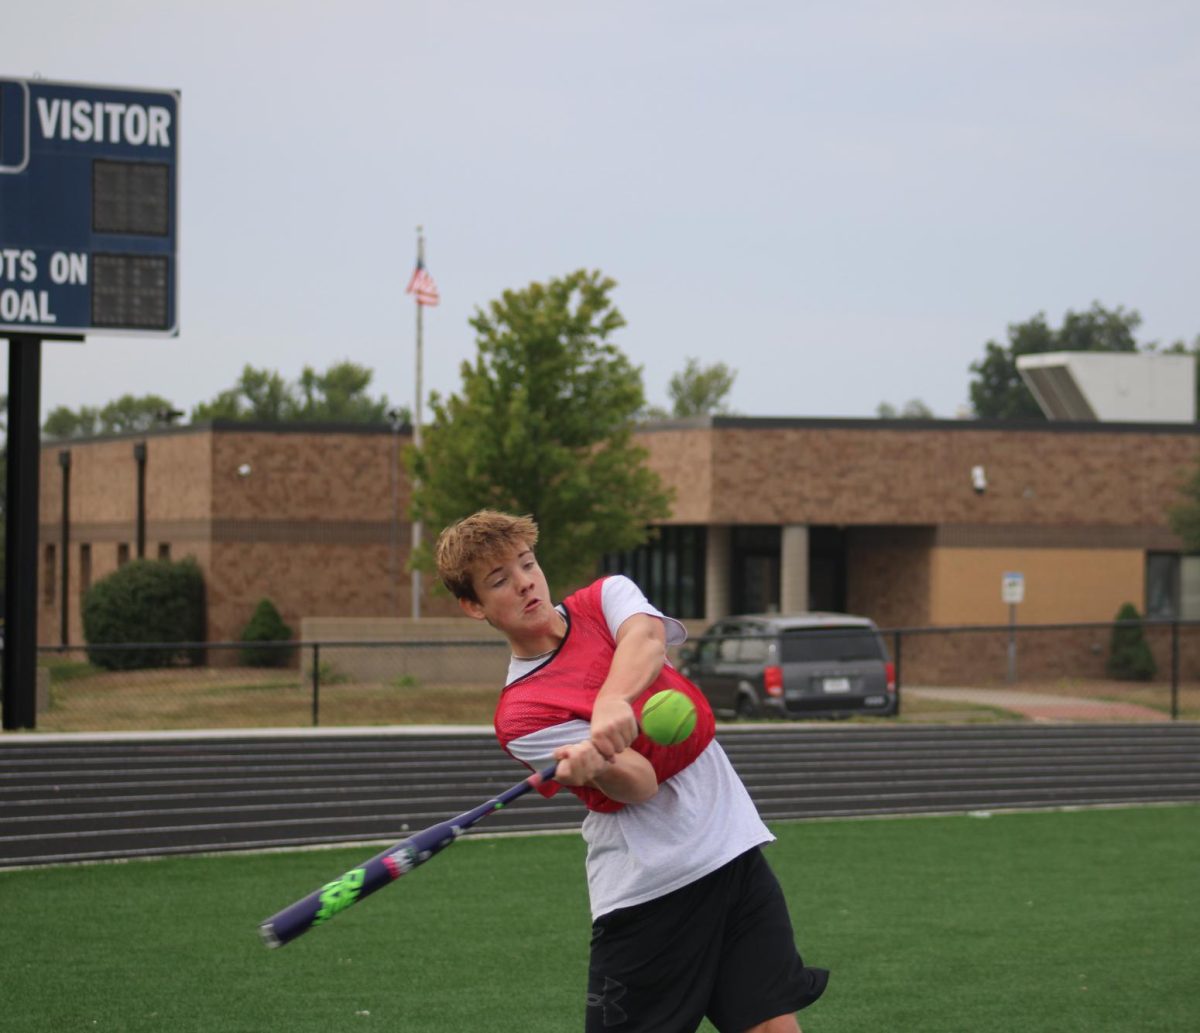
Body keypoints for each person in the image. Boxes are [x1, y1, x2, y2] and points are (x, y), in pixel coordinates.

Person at [435, 510, 828, 1033]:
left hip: (733, 855)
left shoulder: (606, 598)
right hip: (652, 894)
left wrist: (611, 702)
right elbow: (640, 782)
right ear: (473, 606)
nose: (525, 582)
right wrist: (598, 764)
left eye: (527, 564)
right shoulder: (523, 715)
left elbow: (645, 639)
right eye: (499, 580)